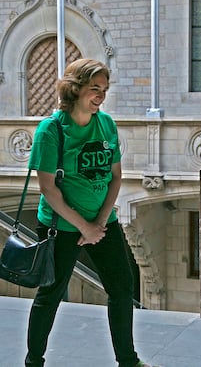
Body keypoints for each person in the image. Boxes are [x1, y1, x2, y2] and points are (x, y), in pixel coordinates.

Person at [25, 59, 150, 367]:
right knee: (50, 295)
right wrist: (84, 227)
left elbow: (115, 176)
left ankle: (128, 361)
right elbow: (49, 189)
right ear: (74, 88)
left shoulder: (106, 123)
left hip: (102, 224)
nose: (100, 96)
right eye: (94, 89)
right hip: (60, 226)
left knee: (121, 289)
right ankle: (34, 361)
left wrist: (99, 223)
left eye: (104, 90)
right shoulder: (51, 130)